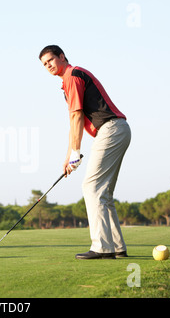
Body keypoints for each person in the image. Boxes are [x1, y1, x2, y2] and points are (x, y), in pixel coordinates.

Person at [39, 45, 131, 259]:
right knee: (104, 193)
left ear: (62, 56)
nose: (48, 65)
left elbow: (76, 117)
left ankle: (101, 247)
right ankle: (117, 247)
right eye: (44, 64)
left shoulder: (72, 75)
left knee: (91, 187)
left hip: (111, 129)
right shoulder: (70, 79)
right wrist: (69, 155)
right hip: (117, 130)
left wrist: (76, 152)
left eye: (51, 60)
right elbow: (75, 123)